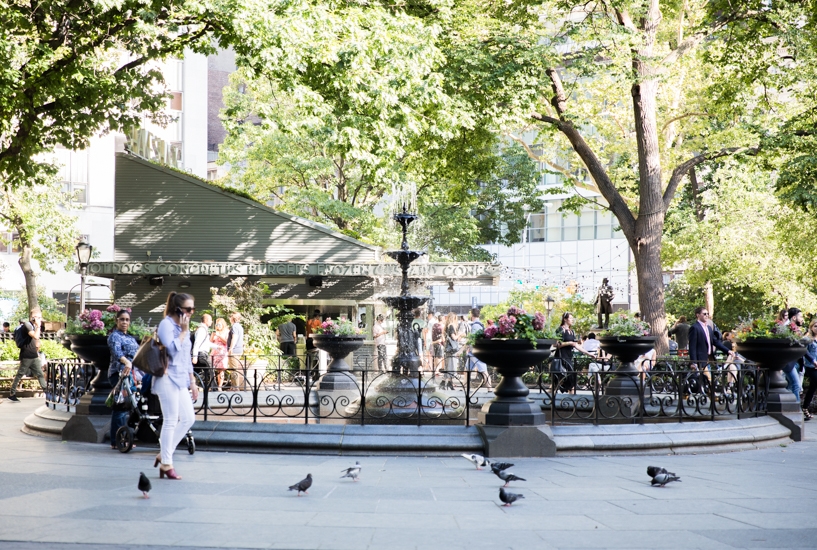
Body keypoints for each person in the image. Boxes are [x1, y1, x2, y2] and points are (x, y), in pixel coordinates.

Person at [154, 292, 198, 480]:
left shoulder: (183, 327)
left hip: (181, 379)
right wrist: (183, 332)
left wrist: (192, 381)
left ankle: (164, 454)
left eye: (193, 309)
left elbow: (186, 357)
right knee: (171, 420)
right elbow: (171, 350)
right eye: (188, 309)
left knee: (188, 418)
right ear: (177, 309)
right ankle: (166, 463)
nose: (191, 312)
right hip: (166, 377)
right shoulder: (166, 325)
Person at [107, 309, 140, 449]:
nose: (125, 322)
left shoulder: (131, 338)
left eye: (127, 320)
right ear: (117, 321)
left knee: (128, 406)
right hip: (119, 373)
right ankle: (117, 441)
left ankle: (124, 437)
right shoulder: (114, 336)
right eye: (122, 319)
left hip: (131, 374)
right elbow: (117, 353)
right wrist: (127, 362)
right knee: (121, 406)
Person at [7, 309, 47, 403]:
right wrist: (38, 326)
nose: (40, 319)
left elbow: (36, 340)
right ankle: (12, 394)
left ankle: (47, 392)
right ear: (33, 317)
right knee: (20, 374)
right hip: (26, 355)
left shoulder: (32, 326)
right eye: (38, 317)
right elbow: (35, 336)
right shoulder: (27, 325)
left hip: (34, 355)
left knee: (40, 374)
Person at [554, 312, 594, 393]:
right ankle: (550, 395)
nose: (572, 320)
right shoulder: (560, 330)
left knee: (569, 379)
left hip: (569, 356)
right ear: (565, 319)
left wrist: (589, 354)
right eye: (571, 318)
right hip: (561, 357)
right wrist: (569, 343)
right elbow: (556, 344)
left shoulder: (572, 331)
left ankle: (571, 398)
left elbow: (576, 345)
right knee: (561, 379)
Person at [688, 306, 734, 374]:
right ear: (698, 315)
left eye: (707, 314)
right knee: (708, 379)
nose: (707, 315)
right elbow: (692, 346)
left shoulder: (709, 328)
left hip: (709, 359)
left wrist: (727, 350)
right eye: (704, 314)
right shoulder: (694, 328)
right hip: (700, 360)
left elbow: (715, 342)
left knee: (709, 379)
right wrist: (694, 362)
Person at [783, 307, 805, 403]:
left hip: (795, 362)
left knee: (791, 386)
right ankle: (796, 408)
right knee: (796, 385)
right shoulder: (787, 329)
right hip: (789, 363)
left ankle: (788, 405)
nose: (802, 319)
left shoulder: (796, 330)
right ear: (794, 318)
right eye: (800, 316)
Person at [466, 308, 491, 390]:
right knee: (467, 369)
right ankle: (465, 387)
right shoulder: (480, 324)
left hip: (474, 352)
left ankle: (489, 388)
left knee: (483, 370)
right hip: (474, 352)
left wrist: (469, 347)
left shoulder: (475, 325)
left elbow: (473, 339)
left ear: (471, 314)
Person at [801, 319, 817, 421]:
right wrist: (813, 361)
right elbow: (804, 351)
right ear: (811, 327)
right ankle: (805, 408)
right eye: (815, 326)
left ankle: (805, 408)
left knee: (813, 387)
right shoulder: (807, 339)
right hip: (811, 367)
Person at [191, 313, 213, 388]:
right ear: (206, 320)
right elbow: (197, 343)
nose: (211, 321)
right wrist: (195, 356)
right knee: (210, 370)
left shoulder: (204, 329)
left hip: (201, 354)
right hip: (201, 354)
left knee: (196, 371)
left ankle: (193, 386)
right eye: (210, 320)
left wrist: (217, 347)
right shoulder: (202, 330)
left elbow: (206, 343)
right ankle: (213, 388)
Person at [442, 312, 461, 390]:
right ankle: (445, 383)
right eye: (455, 318)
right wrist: (460, 334)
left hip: (448, 349)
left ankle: (447, 383)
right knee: (451, 366)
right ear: (453, 318)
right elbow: (454, 337)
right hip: (451, 350)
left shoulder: (447, 326)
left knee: (449, 366)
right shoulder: (451, 326)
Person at [209, 318, 229, 390]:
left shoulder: (226, 331)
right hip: (214, 352)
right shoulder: (215, 332)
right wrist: (213, 335)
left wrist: (219, 336)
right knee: (212, 369)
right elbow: (210, 342)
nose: (218, 326)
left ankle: (219, 386)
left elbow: (226, 342)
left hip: (222, 352)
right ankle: (213, 385)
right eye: (217, 324)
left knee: (221, 369)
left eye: (219, 324)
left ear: (223, 325)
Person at [227, 312, 245, 389]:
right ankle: (233, 387)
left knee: (233, 369)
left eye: (230, 317)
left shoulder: (234, 326)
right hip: (239, 350)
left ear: (232, 318)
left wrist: (231, 348)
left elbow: (235, 337)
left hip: (234, 351)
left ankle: (235, 387)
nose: (229, 318)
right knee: (234, 368)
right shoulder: (239, 326)